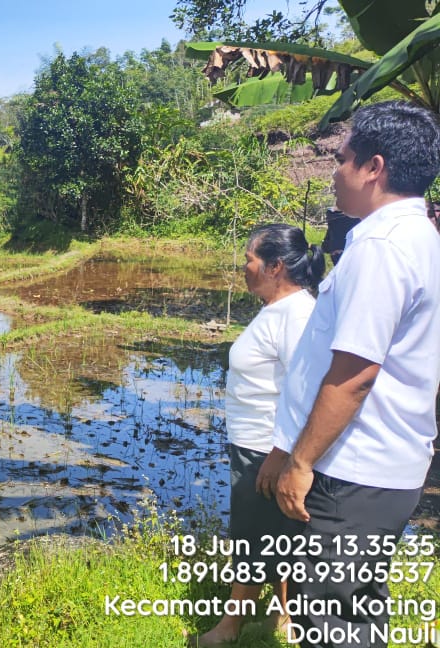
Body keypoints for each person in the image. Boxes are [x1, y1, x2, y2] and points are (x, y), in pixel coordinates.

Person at [259, 100, 440, 647]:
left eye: (341, 159)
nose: (333, 172)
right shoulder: (419, 239)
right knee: (354, 616)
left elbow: (357, 371)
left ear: (373, 167)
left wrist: (302, 460)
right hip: (381, 468)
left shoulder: (382, 249)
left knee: (332, 627)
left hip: (353, 473)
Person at [197, 224, 324, 647]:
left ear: (275, 266)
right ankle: (281, 616)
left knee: (250, 538)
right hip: (259, 444)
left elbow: (305, 389)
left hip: (264, 448)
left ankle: (229, 628)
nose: (244, 267)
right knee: (276, 534)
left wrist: (279, 453)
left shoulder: (296, 315)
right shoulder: (279, 309)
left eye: (250, 259)